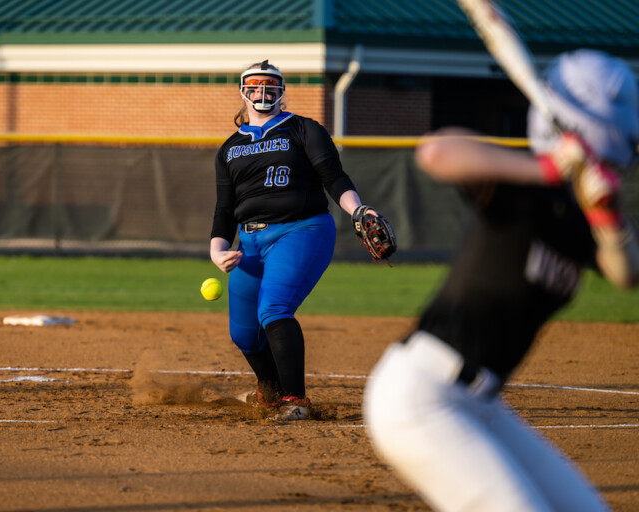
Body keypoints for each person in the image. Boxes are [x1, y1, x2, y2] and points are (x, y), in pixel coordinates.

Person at [363, 49, 639, 511]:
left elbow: (627, 274)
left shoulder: (580, 217)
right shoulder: (521, 187)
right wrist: (549, 168)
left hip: (483, 405)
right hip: (421, 397)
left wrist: (607, 215)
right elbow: (435, 152)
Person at [210, 60, 393, 421]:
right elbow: (225, 207)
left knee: (274, 309)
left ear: (282, 91)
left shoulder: (304, 129)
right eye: (256, 86)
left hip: (302, 229)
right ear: (243, 91)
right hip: (249, 241)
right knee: (244, 334)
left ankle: (295, 401)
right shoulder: (229, 148)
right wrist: (217, 248)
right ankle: (270, 392)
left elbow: (334, 178)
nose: (263, 93)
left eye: (270, 86)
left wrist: (357, 211)